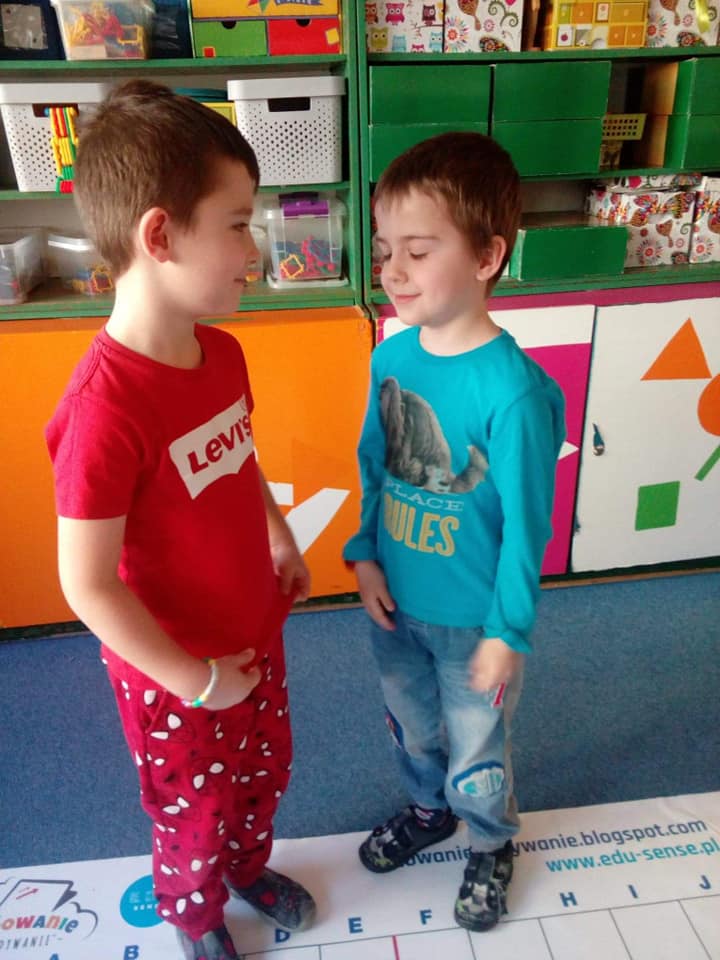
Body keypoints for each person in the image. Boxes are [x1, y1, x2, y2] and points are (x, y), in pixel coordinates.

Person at [45, 80, 316, 960]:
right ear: (160, 236)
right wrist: (197, 682)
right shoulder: (104, 410)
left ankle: (247, 867)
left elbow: (238, 454)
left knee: (262, 774)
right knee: (191, 808)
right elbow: (87, 586)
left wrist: (277, 533)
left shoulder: (222, 352)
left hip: (253, 631)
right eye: (238, 224)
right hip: (174, 675)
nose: (256, 250)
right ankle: (195, 917)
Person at [344, 131, 566, 933]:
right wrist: (364, 553)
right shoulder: (393, 356)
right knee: (412, 729)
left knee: (478, 749)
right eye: (384, 249)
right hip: (396, 606)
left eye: (417, 250)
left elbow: (528, 529)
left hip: (475, 621)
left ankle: (490, 841)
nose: (392, 270)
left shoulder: (516, 394)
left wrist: (509, 631)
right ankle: (427, 810)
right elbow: (375, 461)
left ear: (486, 256)